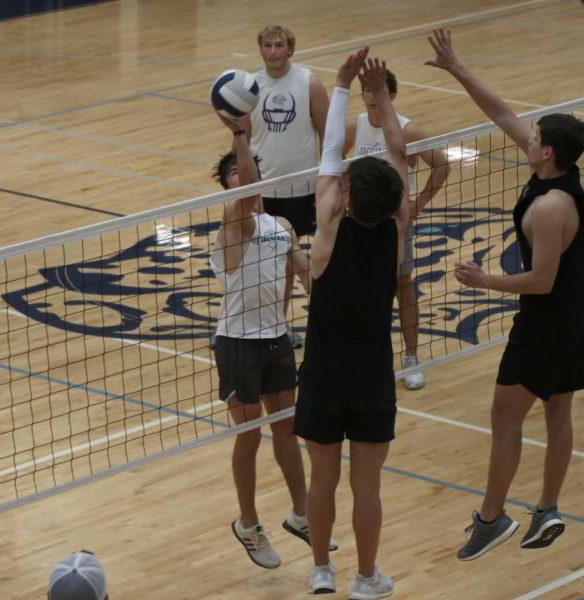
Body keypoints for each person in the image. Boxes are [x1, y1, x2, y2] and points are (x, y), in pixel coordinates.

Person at [425, 28, 584, 560]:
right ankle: (547, 508)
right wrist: (457, 68)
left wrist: (485, 282)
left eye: (533, 135)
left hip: (551, 317)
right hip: (575, 311)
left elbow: (541, 281)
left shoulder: (550, 208)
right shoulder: (552, 171)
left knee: (505, 415)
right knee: (557, 412)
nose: (525, 137)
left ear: (546, 151)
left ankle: (493, 518)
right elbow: (501, 113)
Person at [292, 48, 408, 598]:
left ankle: (320, 571)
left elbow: (328, 159)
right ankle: (365, 577)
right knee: (367, 484)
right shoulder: (395, 231)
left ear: (345, 198)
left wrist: (343, 86)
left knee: (323, 479)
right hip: (372, 369)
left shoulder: (327, 233)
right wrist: (380, 92)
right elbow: (400, 155)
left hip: (322, 369)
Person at [210, 113, 333, 569]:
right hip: (236, 342)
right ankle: (248, 524)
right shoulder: (231, 227)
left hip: (275, 340)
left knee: (287, 429)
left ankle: (302, 516)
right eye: (236, 176)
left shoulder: (280, 226)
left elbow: (303, 275)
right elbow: (245, 197)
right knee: (250, 437)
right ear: (228, 187)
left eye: (249, 172)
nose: (244, 180)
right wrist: (240, 136)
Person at [343, 69, 451, 390]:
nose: (371, 96)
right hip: (358, 224)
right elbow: (333, 160)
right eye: (365, 90)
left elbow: (442, 165)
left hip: (394, 224)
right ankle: (362, 356)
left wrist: (419, 203)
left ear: (391, 95)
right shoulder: (354, 127)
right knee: (359, 290)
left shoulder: (410, 131)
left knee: (402, 285)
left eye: (377, 91)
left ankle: (412, 357)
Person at [243, 25, 331, 347]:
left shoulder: (309, 83)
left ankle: (279, 325)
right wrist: (245, 186)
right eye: (267, 45)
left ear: (290, 49)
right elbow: (242, 138)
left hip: (302, 188)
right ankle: (261, 324)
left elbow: (327, 133)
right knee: (260, 262)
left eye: (279, 45)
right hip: (264, 190)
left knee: (292, 262)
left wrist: (328, 178)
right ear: (260, 49)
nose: (273, 51)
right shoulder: (249, 87)